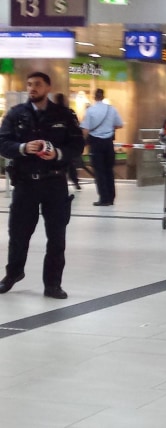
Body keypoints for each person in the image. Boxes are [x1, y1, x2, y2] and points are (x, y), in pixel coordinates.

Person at [0, 71, 84, 299]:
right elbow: (3, 142)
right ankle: (13, 273)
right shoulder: (16, 115)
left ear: (48, 87)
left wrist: (57, 153)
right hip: (25, 183)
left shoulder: (64, 115)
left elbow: (77, 146)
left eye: (37, 84)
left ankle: (53, 284)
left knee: (56, 236)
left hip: (54, 183)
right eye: (28, 84)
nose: (31, 88)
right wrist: (23, 148)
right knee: (18, 234)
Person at [80, 88, 123, 206]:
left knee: (99, 172)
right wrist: (108, 128)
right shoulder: (112, 109)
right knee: (109, 170)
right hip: (108, 143)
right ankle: (111, 197)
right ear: (103, 96)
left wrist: (81, 142)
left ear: (94, 97)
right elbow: (119, 124)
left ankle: (104, 198)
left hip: (95, 143)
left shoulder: (90, 110)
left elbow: (86, 129)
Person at [53, 93, 86, 191]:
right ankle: (75, 181)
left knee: (57, 162)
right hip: (67, 142)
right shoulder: (69, 112)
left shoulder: (51, 112)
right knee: (70, 163)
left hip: (56, 142)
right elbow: (76, 125)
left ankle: (58, 181)